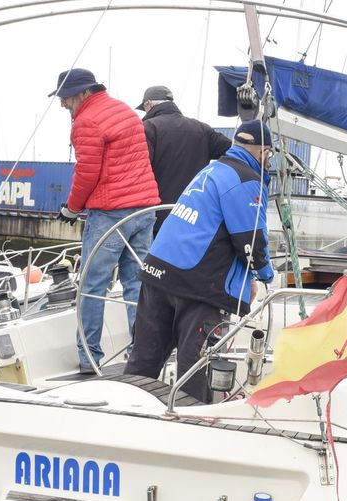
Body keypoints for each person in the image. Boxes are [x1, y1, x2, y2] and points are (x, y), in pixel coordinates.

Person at [126, 119, 275, 403]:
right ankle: (190, 429)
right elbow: (250, 241)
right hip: (197, 286)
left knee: (142, 363)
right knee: (193, 373)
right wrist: (265, 274)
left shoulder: (211, 170)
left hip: (157, 271)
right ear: (263, 152)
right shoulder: (245, 180)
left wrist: (248, 278)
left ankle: (126, 416)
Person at [51, 68, 160, 371]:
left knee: (91, 286)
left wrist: (71, 209)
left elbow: (87, 174)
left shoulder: (87, 121)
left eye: (65, 97)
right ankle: (142, 357)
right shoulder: (124, 110)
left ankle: (89, 359)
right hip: (144, 210)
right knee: (137, 285)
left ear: (83, 93)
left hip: (111, 214)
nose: (63, 104)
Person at [137, 84, 231, 232]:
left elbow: (139, 170)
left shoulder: (147, 128)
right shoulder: (202, 129)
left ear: (148, 104)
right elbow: (233, 152)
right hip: (193, 212)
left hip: (157, 214)